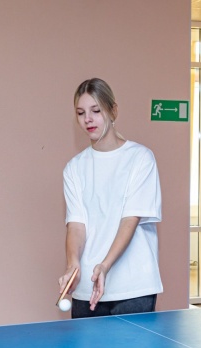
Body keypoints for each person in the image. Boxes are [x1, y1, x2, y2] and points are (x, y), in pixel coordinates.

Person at [59, 78, 163, 318]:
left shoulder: (140, 158)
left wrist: (104, 266)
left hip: (133, 288)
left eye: (96, 111)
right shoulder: (74, 168)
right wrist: (73, 264)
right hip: (87, 289)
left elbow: (130, 220)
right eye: (81, 113)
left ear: (113, 110)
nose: (88, 119)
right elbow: (76, 225)